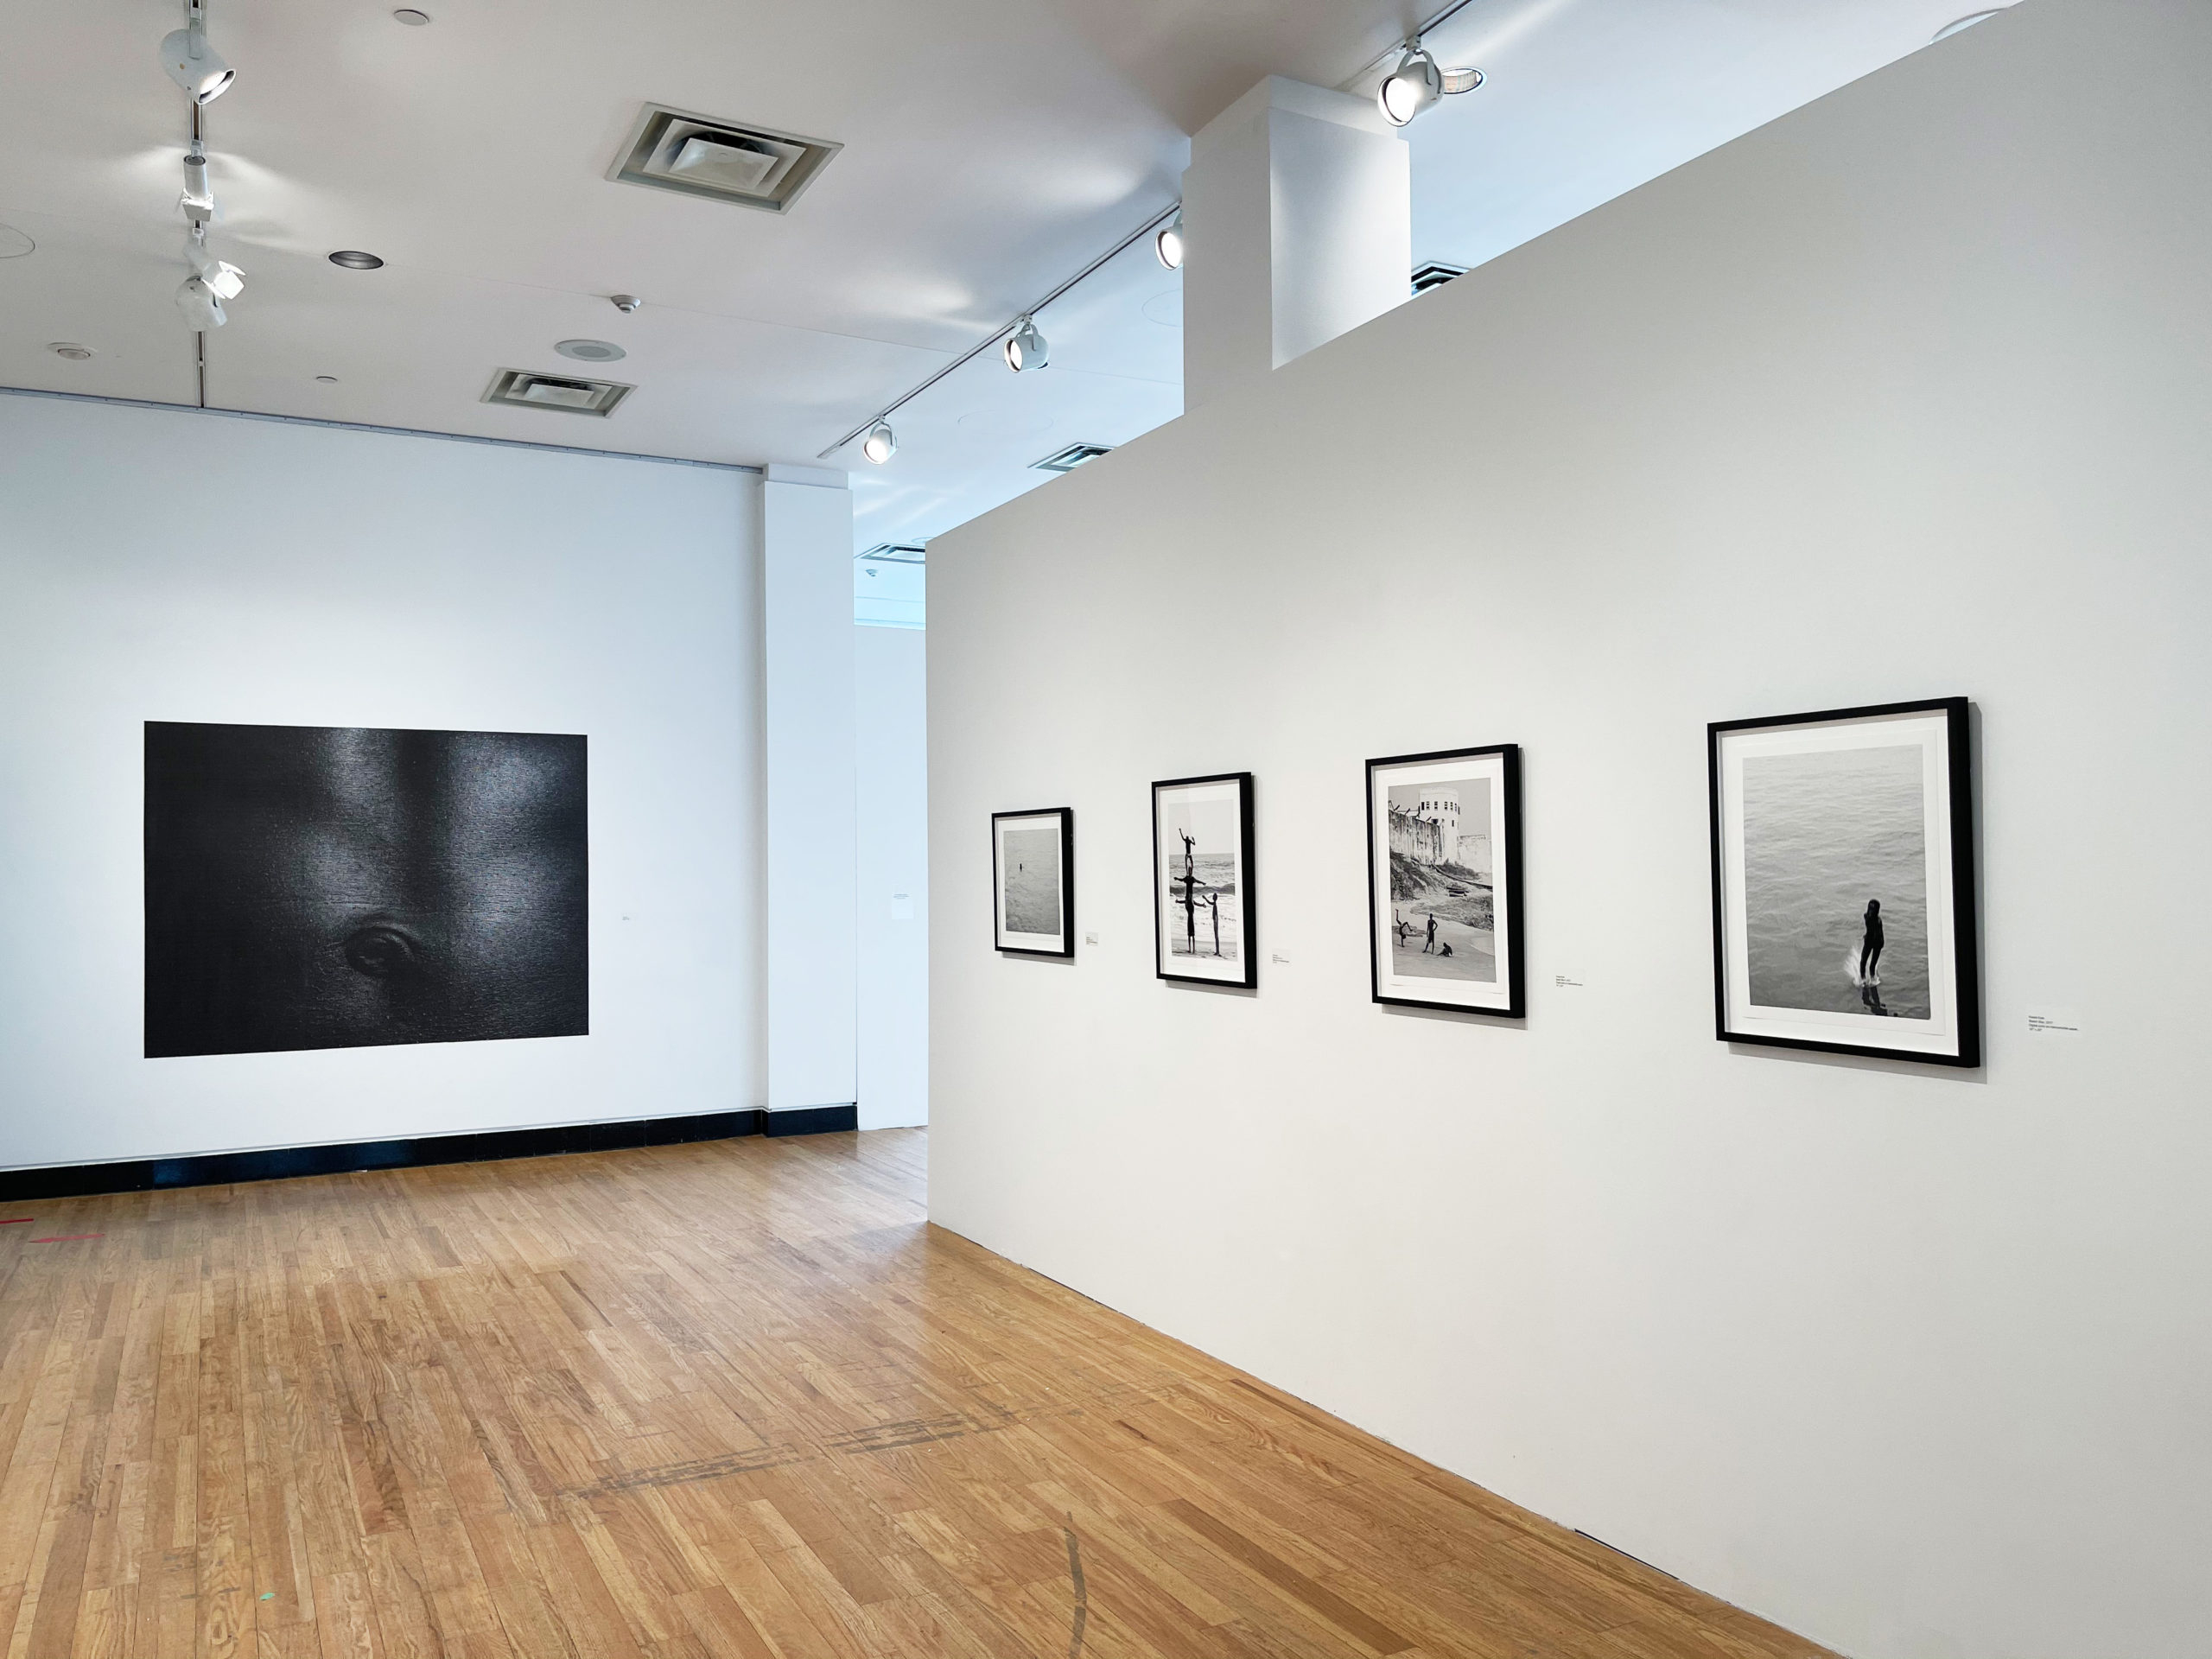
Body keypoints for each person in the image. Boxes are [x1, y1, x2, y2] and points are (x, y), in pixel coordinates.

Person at [1859, 899, 1885, 985]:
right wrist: (1866, 936)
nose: (1870, 912)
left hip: (1877, 942)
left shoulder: (1878, 921)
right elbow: (1870, 930)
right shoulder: (1866, 916)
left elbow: (1878, 934)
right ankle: (1863, 979)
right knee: (1863, 962)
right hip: (1870, 941)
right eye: (1870, 909)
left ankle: (1873, 979)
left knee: (1872, 965)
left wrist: (1879, 943)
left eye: (1872, 910)